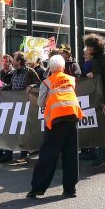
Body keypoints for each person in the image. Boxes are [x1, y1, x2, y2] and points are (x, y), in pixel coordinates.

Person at [27, 55, 84, 199]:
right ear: (63, 67)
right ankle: (70, 189)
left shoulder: (47, 82)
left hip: (56, 120)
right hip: (72, 117)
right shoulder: (71, 80)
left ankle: (37, 188)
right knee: (70, 154)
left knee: (48, 154)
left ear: (49, 69)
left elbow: (41, 103)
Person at [83, 33, 105, 168]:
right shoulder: (96, 59)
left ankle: (104, 156)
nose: (88, 49)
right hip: (98, 99)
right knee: (101, 127)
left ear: (95, 46)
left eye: (90, 47)